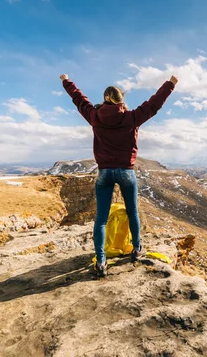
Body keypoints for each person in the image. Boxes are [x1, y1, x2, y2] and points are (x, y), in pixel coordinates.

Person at [59, 73, 178, 277]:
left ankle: (101, 261)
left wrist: (66, 81)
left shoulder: (95, 117)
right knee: (132, 212)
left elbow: (79, 99)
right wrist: (170, 84)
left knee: (101, 219)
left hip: (104, 172)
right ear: (122, 99)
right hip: (126, 171)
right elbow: (153, 104)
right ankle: (136, 249)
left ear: (105, 99)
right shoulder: (131, 117)